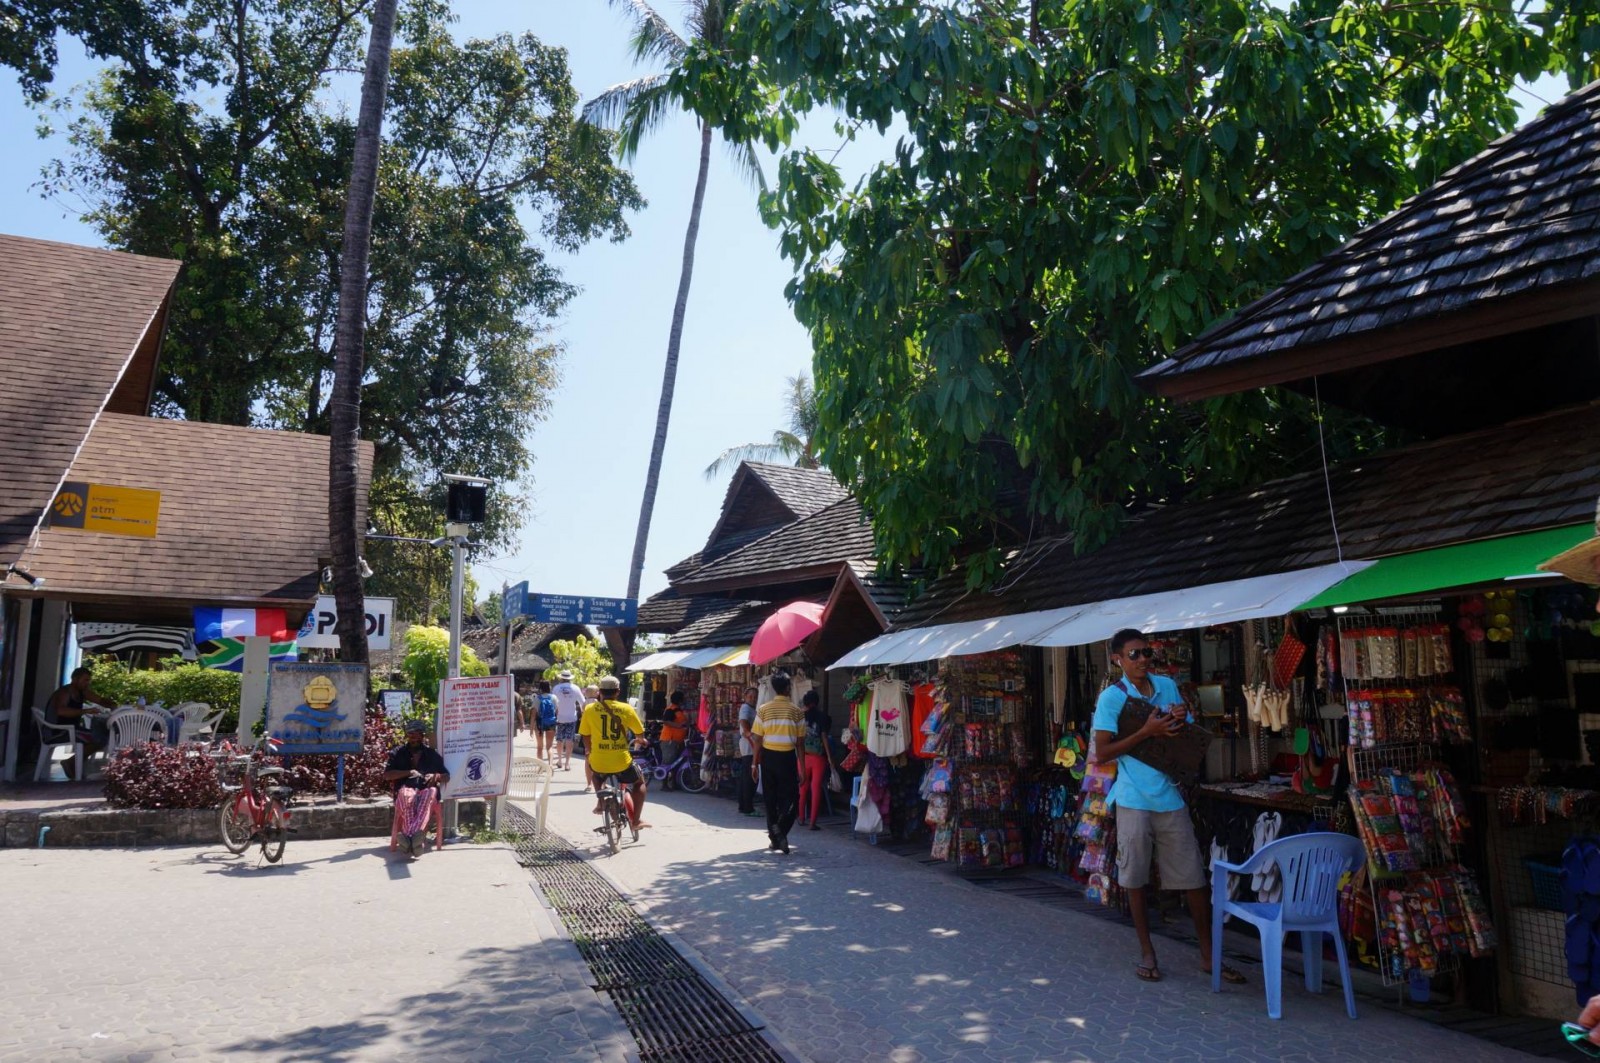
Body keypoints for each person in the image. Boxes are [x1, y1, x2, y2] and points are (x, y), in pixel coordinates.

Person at [1091, 628, 1244, 985]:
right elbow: (1102, 752)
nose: (1143, 659)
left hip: (1169, 795)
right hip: (1132, 798)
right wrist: (1147, 731)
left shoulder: (1167, 686)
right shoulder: (1112, 698)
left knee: (1192, 876)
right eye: (1134, 654)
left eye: (1147, 653)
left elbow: (1183, 737)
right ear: (1117, 659)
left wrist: (1179, 718)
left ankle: (1208, 955)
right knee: (1135, 877)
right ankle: (1147, 952)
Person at [578, 675, 648, 829]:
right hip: (621, 762)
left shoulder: (590, 709)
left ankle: (601, 802)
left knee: (596, 774)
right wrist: (640, 740)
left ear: (600, 692)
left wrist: (589, 751)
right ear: (617, 691)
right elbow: (639, 733)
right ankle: (636, 821)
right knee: (639, 782)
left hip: (599, 761)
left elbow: (585, 735)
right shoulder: (626, 708)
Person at [753, 672, 804, 854]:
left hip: (768, 758)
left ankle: (775, 838)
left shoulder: (763, 710)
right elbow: (800, 743)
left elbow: (757, 739)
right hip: (787, 758)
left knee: (770, 798)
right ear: (788, 688)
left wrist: (754, 764)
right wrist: (802, 768)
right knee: (792, 799)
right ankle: (780, 830)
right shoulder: (797, 711)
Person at [383, 720, 450, 857]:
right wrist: (409, 772)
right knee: (407, 795)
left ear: (423, 736)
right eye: (411, 734)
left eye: (418, 734)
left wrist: (436, 776)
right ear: (407, 735)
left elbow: (447, 776)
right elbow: (387, 775)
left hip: (426, 791)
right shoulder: (397, 752)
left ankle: (408, 838)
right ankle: (415, 840)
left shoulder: (432, 754)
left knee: (431, 792)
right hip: (406, 791)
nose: (414, 737)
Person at [45, 666, 117, 778]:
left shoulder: (82, 692)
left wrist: (113, 705)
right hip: (57, 732)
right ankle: (71, 762)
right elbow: (61, 711)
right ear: (75, 679)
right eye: (85, 680)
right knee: (99, 739)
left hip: (71, 729)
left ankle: (74, 763)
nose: (87, 683)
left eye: (89, 680)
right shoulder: (64, 692)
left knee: (101, 736)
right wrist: (85, 711)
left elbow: (100, 700)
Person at [797, 690, 835, 831]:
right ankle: (812, 823)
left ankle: (801, 818)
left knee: (803, 788)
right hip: (818, 758)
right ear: (817, 702)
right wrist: (830, 758)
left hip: (803, 757)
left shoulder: (800, 716)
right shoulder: (823, 717)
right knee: (816, 789)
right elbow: (824, 737)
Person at [551, 670, 586, 771]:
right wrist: (583, 714)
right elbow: (583, 703)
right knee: (569, 740)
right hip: (571, 718)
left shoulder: (556, 688)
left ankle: (559, 761)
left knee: (559, 740)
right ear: (570, 678)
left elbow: (552, 703)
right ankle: (567, 763)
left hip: (559, 718)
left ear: (561, 678)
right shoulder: (575, 688)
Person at [736, 686, 759, 816]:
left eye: (755, 697)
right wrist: (748, 732)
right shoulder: (746, 708)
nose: (753, 699)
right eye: (750, 696)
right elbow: (743, 721)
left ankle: (743, 805)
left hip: (749, 745)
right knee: (749, 777)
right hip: (749, 746)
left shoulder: (751, 708)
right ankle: (747, 807)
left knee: (746, 776)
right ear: (745, 697)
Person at [659, 691, 690, 768]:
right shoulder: (671, 709)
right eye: (683, 699)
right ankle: (664, 775)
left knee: (676, 764)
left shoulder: (678, 710)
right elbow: (666, 721)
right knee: (668, 763)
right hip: (670, 741)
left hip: (678, 741)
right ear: (680, 700)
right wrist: (678, 725)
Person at [534, 680, 558, 761]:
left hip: (539, 723)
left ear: (540, 688)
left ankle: (540, 766)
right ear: (549, 687)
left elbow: (533, 714)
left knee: (539, 747)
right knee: (549, 746)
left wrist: (531, 727)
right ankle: (550, 765)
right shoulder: (554, 697)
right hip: (551, 722)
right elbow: (557, 712)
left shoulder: (537, 698)